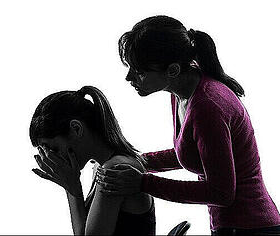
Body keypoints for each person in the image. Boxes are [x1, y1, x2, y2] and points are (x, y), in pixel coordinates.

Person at [96, 15, 280, 235]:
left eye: (140, 71)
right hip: (239, 226)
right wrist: (141, 161)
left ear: (172, 70)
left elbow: (221, 193)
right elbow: (196, 153)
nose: (129, 77)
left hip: (249, 229)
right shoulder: (183, 92)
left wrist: (143, 183)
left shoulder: (207, 106)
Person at [30, 86, 155, 235]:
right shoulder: (101, 165)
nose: (54, 158)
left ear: (76, 129)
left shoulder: (114, 169)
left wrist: (73, 188)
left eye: (55, 149)